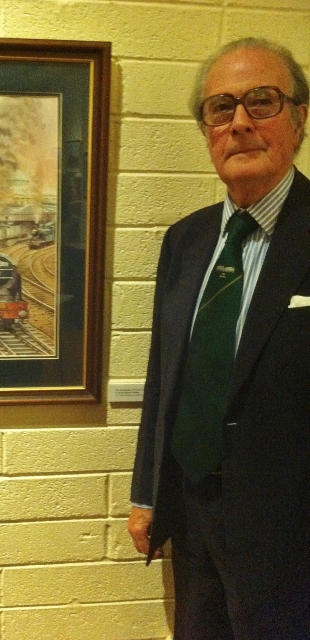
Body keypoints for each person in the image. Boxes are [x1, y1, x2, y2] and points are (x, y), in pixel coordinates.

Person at [128, 37, 310, 640]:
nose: (240, 123)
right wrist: (147, 493)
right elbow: (164, 377)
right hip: (192, 515)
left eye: (262, 101)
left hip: (294, 531)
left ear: (299, 118)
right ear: (207, 129)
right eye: (221, 107)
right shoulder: (185, 240)